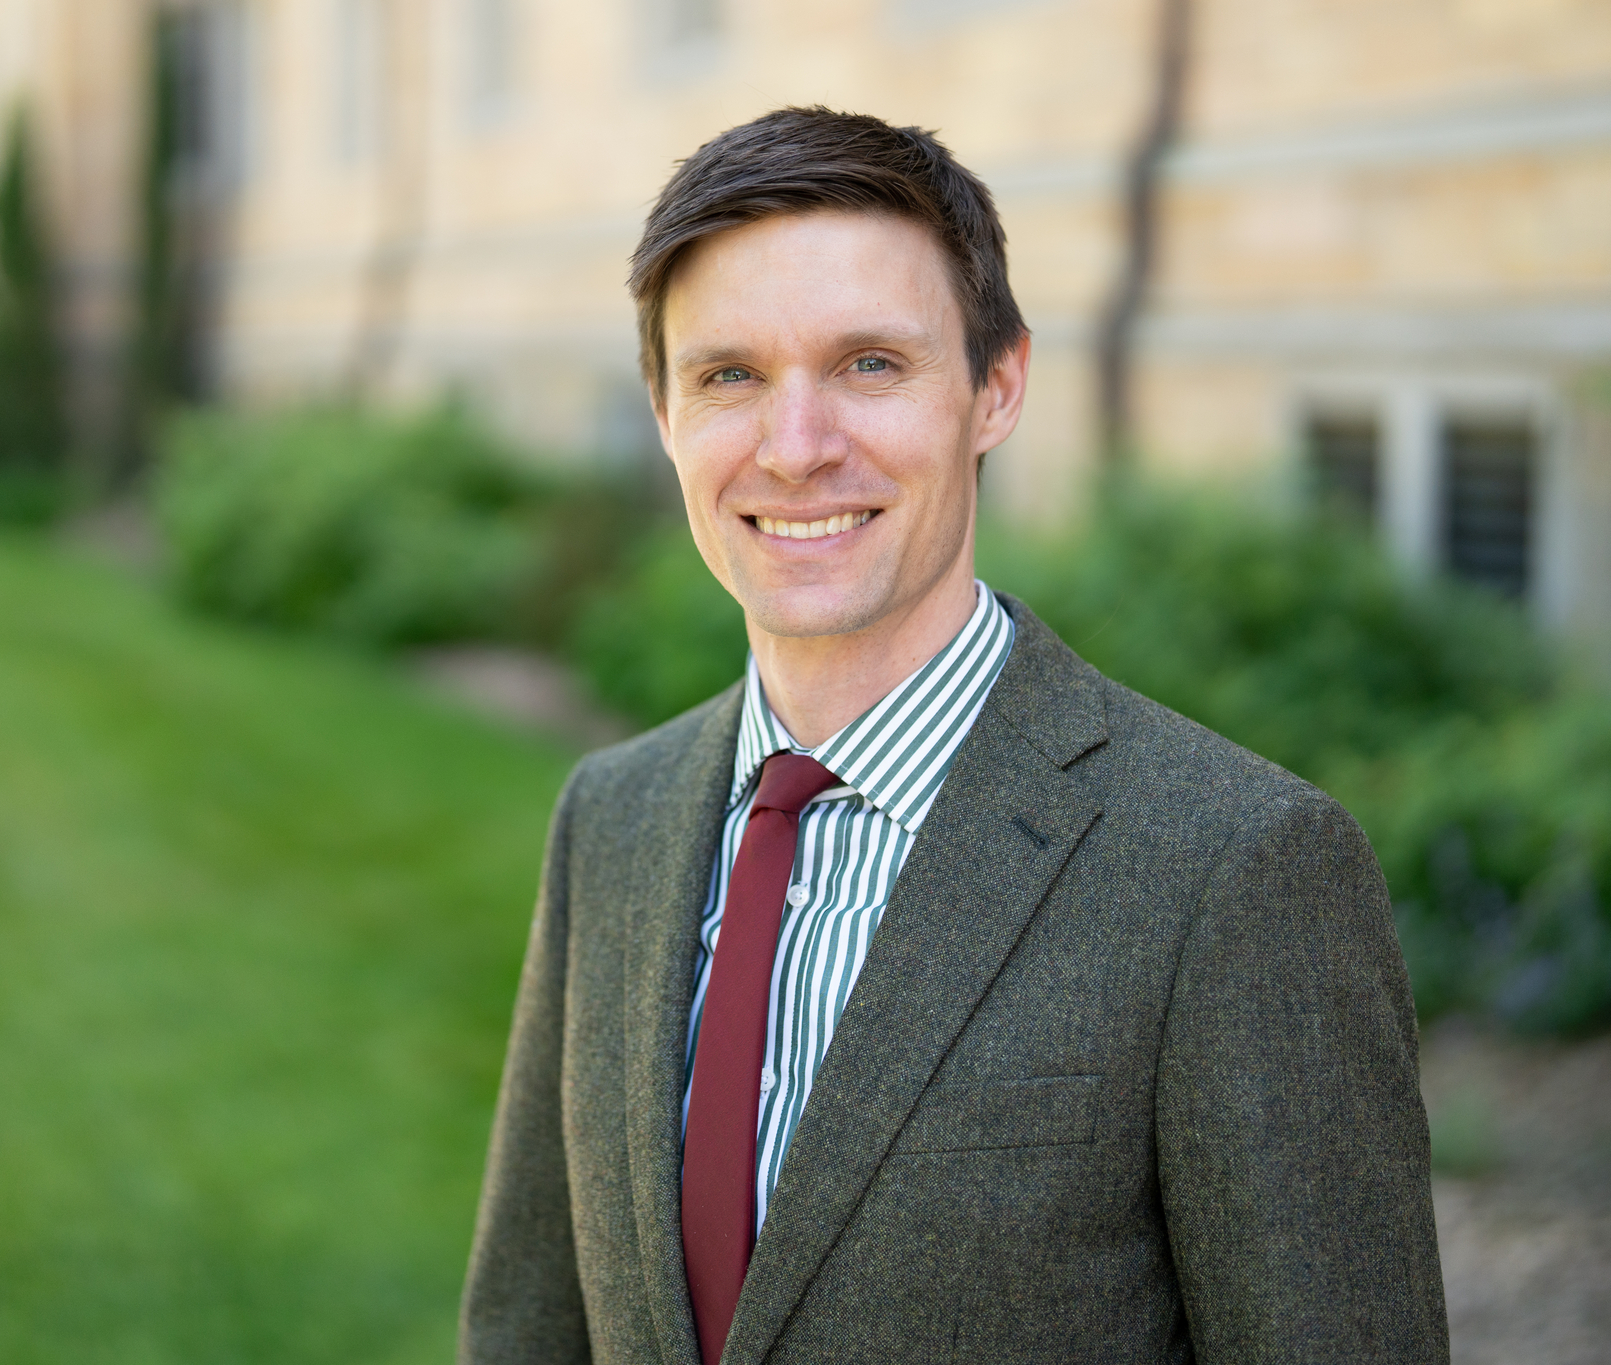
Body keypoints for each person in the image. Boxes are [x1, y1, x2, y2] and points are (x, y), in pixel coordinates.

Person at [458, 106, 1448, 1365]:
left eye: (870, 364)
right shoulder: (613, 816)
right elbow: (525, 1327)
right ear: (662, 412)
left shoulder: (1233, 868)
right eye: (729, 376)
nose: (797, 447)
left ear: (996, 389)